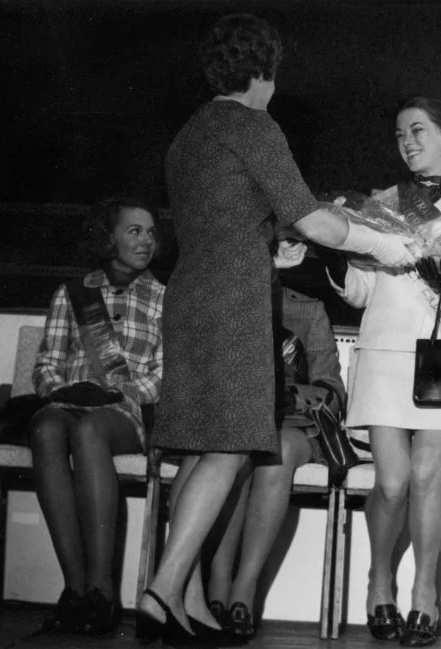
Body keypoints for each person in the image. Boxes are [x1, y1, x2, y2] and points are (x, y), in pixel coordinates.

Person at [136, 13, 415, 642]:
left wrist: (269, 238)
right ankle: (160, 590)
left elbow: (233, 215)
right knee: (231, 446)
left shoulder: (190, 133)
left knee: (204, 446)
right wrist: (383, 246)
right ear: (261, 71)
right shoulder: (253, 124)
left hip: (191, 295)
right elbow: (314, 222)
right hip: (234, 301)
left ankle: (189, 603)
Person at [333, 96, 441, 647]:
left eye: (419, 130)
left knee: (427, 474)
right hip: (383, 355)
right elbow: (360, 292)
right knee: (392, 480)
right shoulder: (381, 203)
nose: (407, 141)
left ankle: (425, 594)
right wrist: (341, 252)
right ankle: (380, 579)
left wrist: (435, 262)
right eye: (400, 133)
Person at [171, 233, 347, 643]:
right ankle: (217, 581)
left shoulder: (308, 310)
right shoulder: (224, 304)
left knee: (276, 450)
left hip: (294, 427)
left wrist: (289, 397)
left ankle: (244, 590)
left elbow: (332, 391)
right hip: (239, 423)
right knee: (240, 448)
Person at [29, 195, 164, 635]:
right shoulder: (74, 293)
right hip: (68, 405)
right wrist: (61, 390)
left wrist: (119, 391)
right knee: (46, 427)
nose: (145, 240)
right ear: (108, 238)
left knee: (90, 429)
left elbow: (165, 374)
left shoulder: (165, 299)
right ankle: (75, 589)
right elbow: (47, 362)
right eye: (134, 230)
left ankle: (103, 589)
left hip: (122, 414)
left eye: (150, 232)